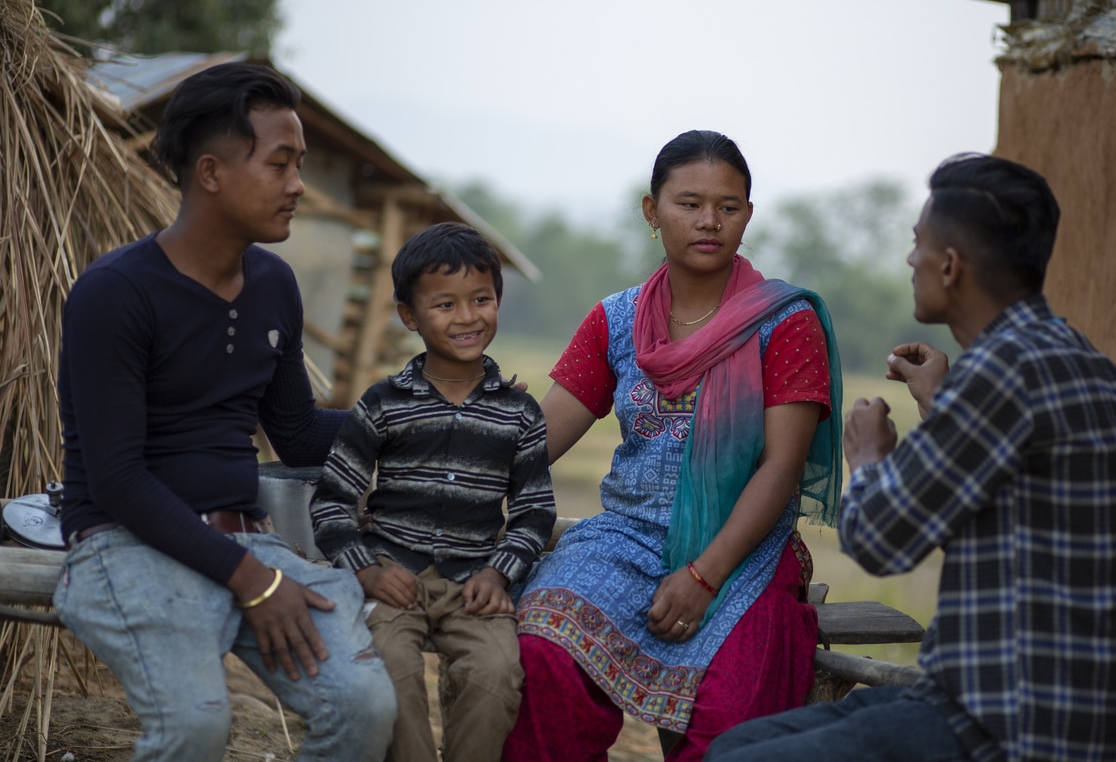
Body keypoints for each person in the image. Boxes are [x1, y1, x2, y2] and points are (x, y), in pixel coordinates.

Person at [705, 153, 1116, 762]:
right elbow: (1003, 495)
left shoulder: (1003, 372)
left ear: (950, 266)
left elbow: (881, 540)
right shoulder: (1075, 359)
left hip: (1003, 725)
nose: (910, 259)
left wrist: (869, 456)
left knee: (738, 757)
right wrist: (943, 404)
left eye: (918, 244)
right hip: (1053, 713)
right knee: (742, 744)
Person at [53, 62, 396, 762]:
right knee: (195, 728)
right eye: (280, 164)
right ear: (210, 173)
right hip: (125, 545)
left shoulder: (274, 283)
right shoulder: (114, 293)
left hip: (251, 544)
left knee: (362, 706)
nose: (299, 184)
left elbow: (295, 432)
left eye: (299, 163)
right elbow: (116, 476)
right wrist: (252, 581)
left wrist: (406, 428)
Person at [501, 130, 843, 762]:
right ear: (651, 212)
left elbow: (781, 467)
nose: (709, 221)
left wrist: (701, 575)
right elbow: (538, 440)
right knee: (541, 654)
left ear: (748, 216)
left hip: (744, 550)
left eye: (729, 206)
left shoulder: (785, 323)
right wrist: (472, 427)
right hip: (624, 536)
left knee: (733, 723)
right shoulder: (617, 319)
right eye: (688, 203)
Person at [309, 222, 556, 762]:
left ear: (498, 300)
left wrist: (501, 571)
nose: (467, 317)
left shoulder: (519, 413)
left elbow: (536, 508)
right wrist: (365, 569)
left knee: (495, 676)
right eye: (445, 304)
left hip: (476, 584)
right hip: (393, 576)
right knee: (388, 673)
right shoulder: (383, 403)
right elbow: (331, 500)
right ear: (409, 315)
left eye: (481, 299)